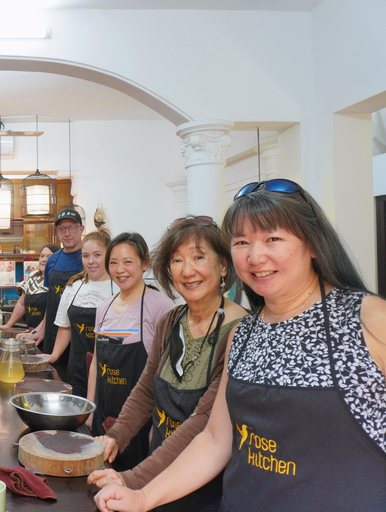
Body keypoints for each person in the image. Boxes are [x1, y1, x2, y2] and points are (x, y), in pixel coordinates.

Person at [94, 179, 386, 512]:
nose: (255, 255)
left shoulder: (368, 320)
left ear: (313, 243)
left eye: (273, 238)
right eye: (242, 241)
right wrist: (143, 496)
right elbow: (215, 440)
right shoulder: (244, 334)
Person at [89, 219, 245, 511]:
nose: (187, 271)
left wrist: (134, 479)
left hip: (206, 485)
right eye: (177, 260)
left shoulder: (239, 332)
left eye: (198, 257)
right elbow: (146, 389)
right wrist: (116, 436)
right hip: (158, 473)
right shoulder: (171, 321)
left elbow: (204, 424)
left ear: (223, 266)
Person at [87, 233, 174, 472]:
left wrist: (158, 427)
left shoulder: (161, 307)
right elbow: (96, 363)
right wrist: (90, 410)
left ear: (145, 264)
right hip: (103, 417)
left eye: (128, 262)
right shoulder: (104, 307)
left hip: (141, 423)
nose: (120, 269)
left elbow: (166, 375)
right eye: (113, 262)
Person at [47, 229, 114, 397]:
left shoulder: (120, 287)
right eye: (86, 256)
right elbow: (65, 326)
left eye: (97, 255)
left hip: (111, 369)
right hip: (76, 368)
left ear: (109, 254)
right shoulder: (73, 286)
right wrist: (54, 356)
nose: (91, 261)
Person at [31, 209, 85, 358]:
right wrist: (42, 328)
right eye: (62, 228)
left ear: (82, 229)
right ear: (57, 231)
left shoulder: (89, 259)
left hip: (80, 333)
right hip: (53, 332)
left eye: (72, 227)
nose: (67, 233)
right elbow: (51, 300)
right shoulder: (52, 260)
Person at [0, 243, 60, 332]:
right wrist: (8, 325)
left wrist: (39, 331)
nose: (44, 260)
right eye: (42, 256)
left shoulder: (58, 281)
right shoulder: (32, 277)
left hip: (50, 332)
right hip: (31, 331)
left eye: (49, 257)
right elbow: (21, 304)